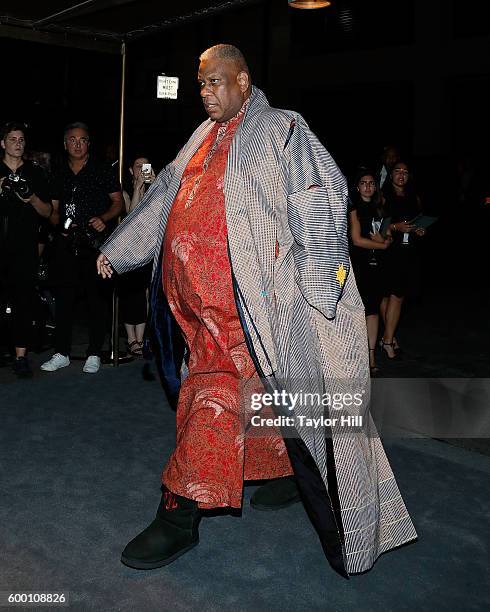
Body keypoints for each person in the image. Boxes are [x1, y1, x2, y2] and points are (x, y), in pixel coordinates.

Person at [97, 44, 417, 577]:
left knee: (214, 404)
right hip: (196, 316)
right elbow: (163, 199)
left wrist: (320, 290)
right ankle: (288, 471)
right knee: (267, 401)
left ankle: (178, 513)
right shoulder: (201, 136)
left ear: (243, 80)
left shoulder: (284, 129)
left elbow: (323, 196)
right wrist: (120, 248)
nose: (205, 94)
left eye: (214, 83)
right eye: (199, 85)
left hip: (253, 315)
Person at [41, 122, 123, 374]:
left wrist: (104, 218)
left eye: (83, 140)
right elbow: (54, 210)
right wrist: (57, 223)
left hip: (95, 245)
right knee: (63, 299)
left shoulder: (102, 169)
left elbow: (118, 202)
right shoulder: (56, 172)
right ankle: (61, 352)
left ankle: (94, 353)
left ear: (89, 143)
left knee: (95, 300)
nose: (77, 144)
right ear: (65, 143)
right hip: (65, 244)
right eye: (72, 140)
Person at [0, 122, 52, 377]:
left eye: (21, 139)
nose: (18, 143)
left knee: (24, 301)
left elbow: (48, 212)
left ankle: (21, 357)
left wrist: (31, 198)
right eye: (12, 139)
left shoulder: (35, 172)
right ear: (3, 143)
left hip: (24, 247)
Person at [380, 160, 426, 358]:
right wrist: (395, 227)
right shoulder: (383, 196)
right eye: (398, 171)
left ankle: (388, 339)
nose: (401, 175)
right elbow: (377, 226)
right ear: (391, 175)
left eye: (405, 172)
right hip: (387, 250)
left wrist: (420, 229)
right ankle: (388, 340)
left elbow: (418, 220)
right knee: (386, 295)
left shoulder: (413, 197)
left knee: (397, 295)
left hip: (407, 251)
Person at [348, 171, 391, 375]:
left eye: (371, 183)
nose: (367, 186)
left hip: (378, 266)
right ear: (358, 187)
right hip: (358, 265)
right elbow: (356, 240)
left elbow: (387, 236)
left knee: (373, 310)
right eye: (363, 183)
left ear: (375, 187)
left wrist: (385, 241)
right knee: (357, 310)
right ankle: (357, 355)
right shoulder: (354, 209)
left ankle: (371, 354)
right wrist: (380, 244)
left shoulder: (380, 208)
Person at [119, 156, 155, 355]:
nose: (142, 169)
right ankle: (131, 338)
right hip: (127, 249)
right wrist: (137, 188)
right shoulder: (124, 192)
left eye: (145, 166)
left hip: (147, 247)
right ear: (131, 171)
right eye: (138, 166)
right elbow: (131, 217)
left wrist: (155, 184)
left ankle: (141, 338)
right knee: (129, 293)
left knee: (145, 293)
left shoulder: (152, 191)